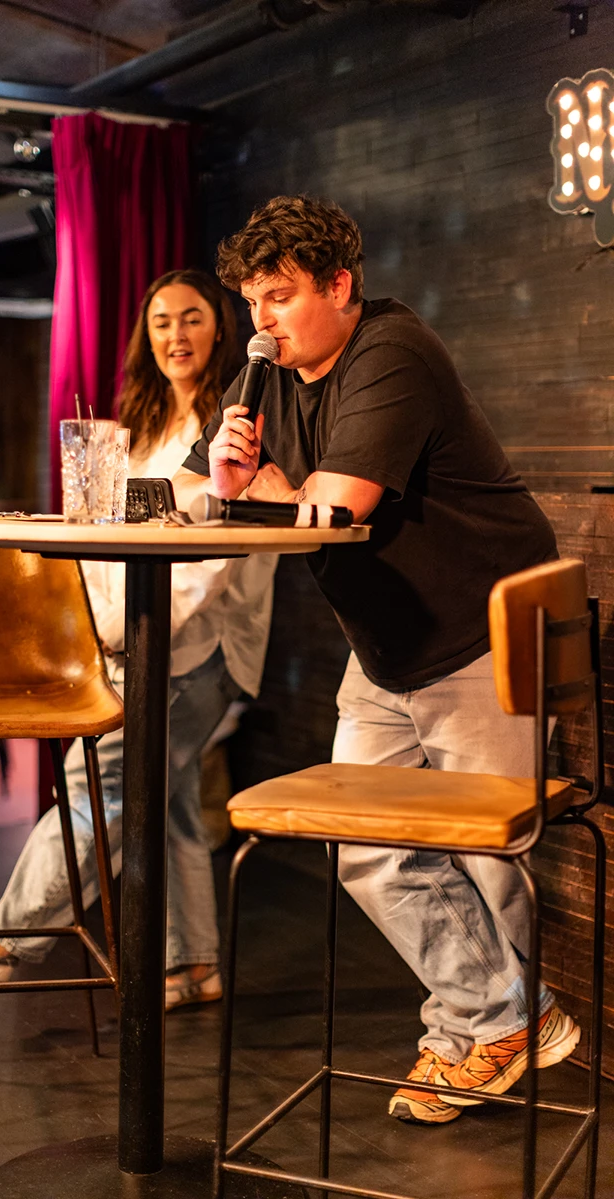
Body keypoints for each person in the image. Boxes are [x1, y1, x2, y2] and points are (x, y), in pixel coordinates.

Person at [173, 195, 579, 1122]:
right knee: (367, 849)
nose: (260, 323)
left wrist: (261, 488)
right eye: (251, 304)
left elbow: (333, 508)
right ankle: (505, 1020)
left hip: (484, 634)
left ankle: (476, 1031)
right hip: (387, 647)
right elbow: (223, 491)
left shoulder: (391, 350)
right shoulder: (265, 373)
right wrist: (232, 482)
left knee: (487, 857)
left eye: (277, 298)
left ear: (340, 286)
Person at [0, 269, 278, 1010]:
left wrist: (114, 630)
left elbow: (210, 557)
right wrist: (96, 625)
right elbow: (112, 535)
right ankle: (194, 964)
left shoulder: (238, 419)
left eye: (193, 318)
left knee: (104, 783)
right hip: (134, 639)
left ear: (222, 328)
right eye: (162, 322)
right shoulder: (139, 426)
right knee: (166, 792)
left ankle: (6, 938)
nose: (176, 334)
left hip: (200, 646)